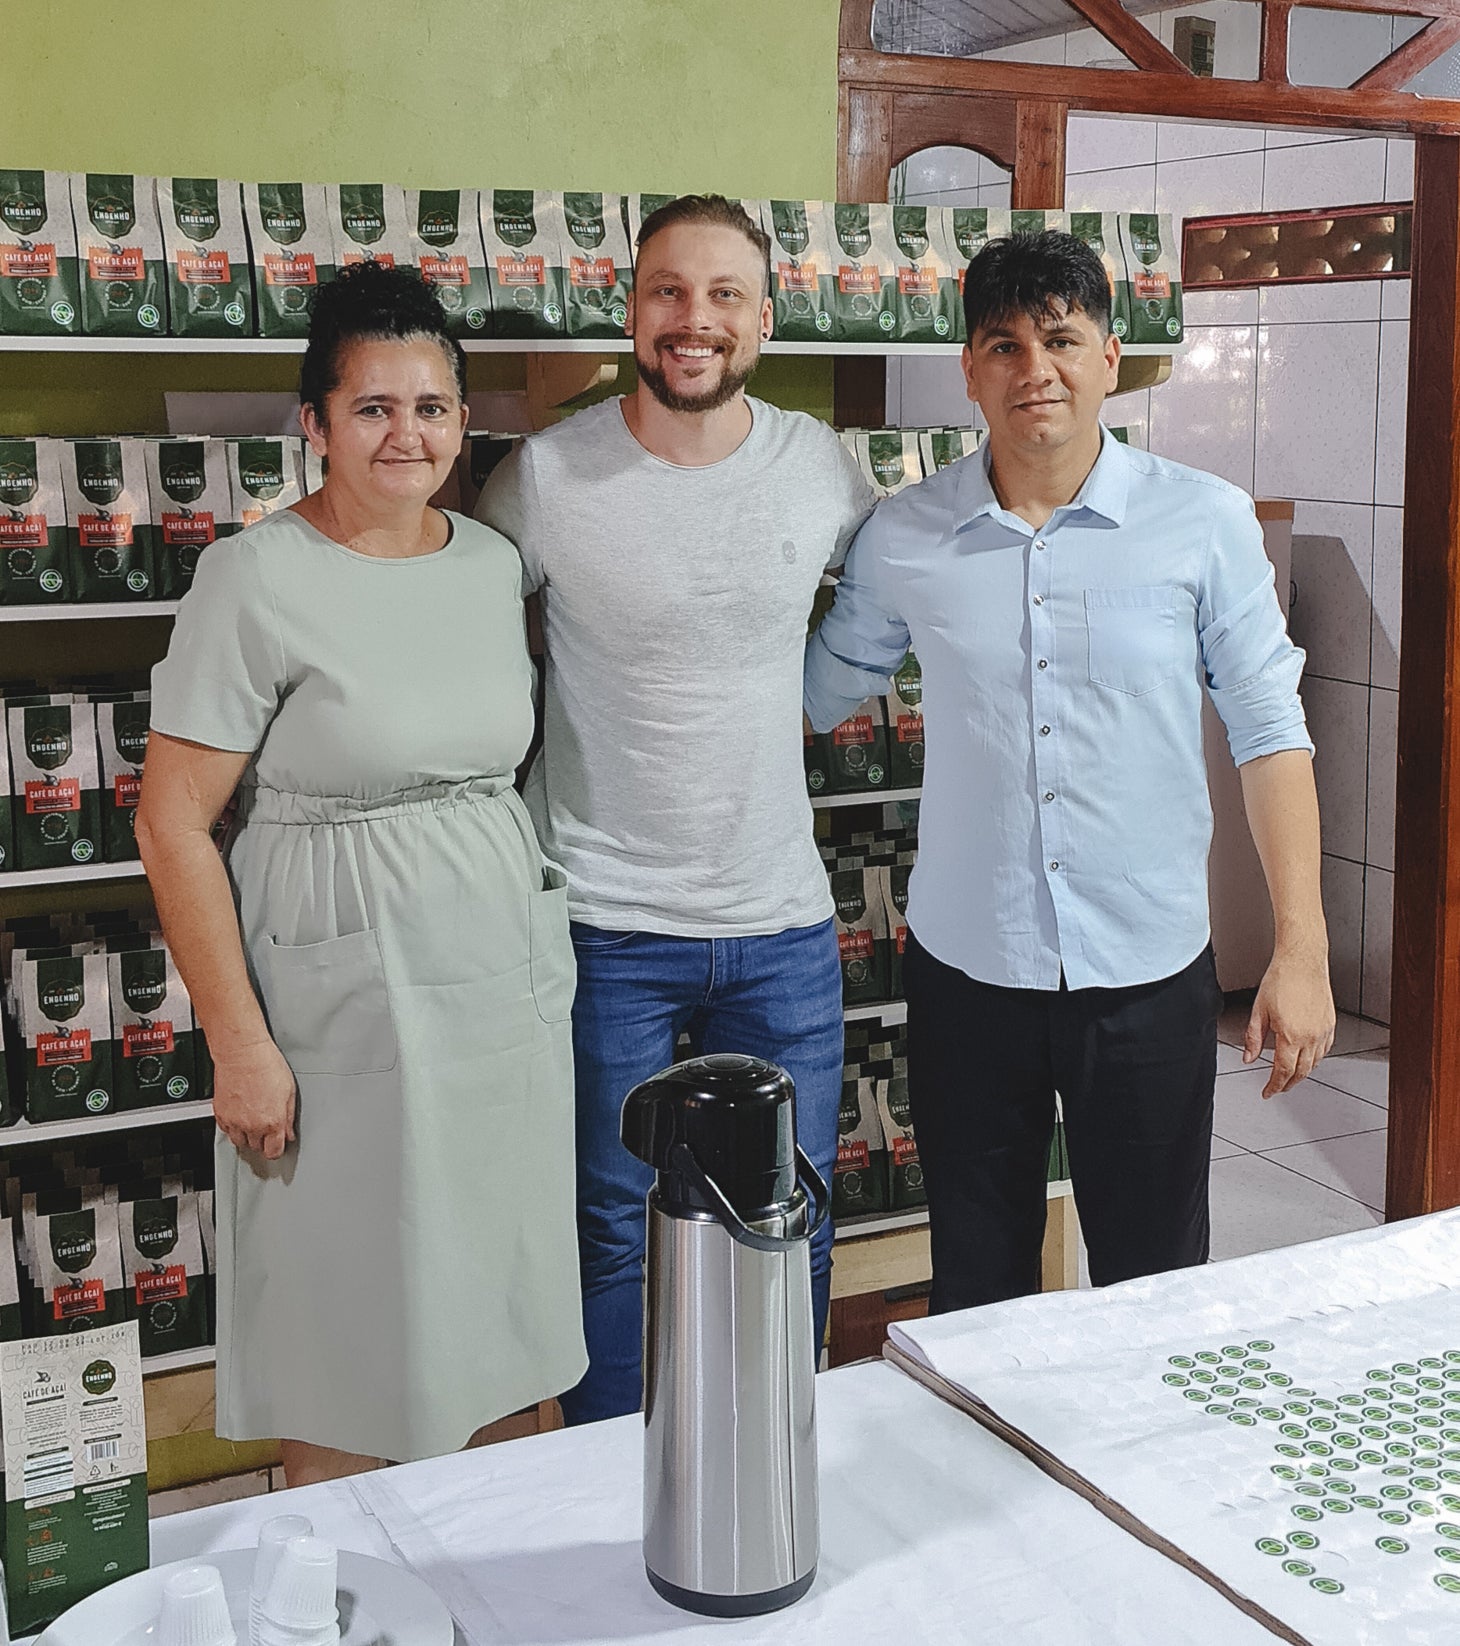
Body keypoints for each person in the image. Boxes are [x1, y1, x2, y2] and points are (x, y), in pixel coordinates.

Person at [805, 230, 1335, 1313]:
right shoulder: (906, 533)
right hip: (966, 968)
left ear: (1109, 356)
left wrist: (1300, 947)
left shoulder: (1203, 521)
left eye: (1058, 337)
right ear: (967, 369)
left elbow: (1268, 730)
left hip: (1143, 968)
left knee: (1150, 1284)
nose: (1030, 367)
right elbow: (814, 693)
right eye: (1000, 344)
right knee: (978, 1278)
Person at [137, 262, 586, 1484]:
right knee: (348, 1313)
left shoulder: (489, 566)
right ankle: (340, 1594)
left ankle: (502, 1577)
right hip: (336, 987)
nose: (408, 434)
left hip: (496, 982)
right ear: (315, 425)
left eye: (432, 405)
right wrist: (239, 1043)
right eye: (374, 407)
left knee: (501, 1296)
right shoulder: (255, 578)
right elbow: (172, 822)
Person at [478, 194, 876, 1424]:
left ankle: (772, 1456)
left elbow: (889, 611)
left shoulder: (821, 466)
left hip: (781, 922)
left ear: (763, 318)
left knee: (789, 1210)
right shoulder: (546, 474)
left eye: (719, 296)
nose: (690, 320)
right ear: (631, 309)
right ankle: (606, 1472)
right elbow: (468, 632)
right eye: (665, 292)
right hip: (604, 919)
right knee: (608, 1221)